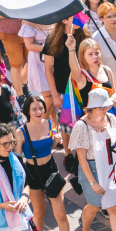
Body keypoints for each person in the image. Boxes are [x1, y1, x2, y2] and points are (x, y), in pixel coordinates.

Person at [14, 95, 81, 231]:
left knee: (60, 213)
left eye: (41, 108)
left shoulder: (51, 124)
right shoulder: (21, 132)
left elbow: (49, 147)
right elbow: (17, 159)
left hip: (50, 169)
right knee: (39, 212)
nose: (38, 112)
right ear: (28, 111)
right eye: (34, 109)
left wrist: (55, 142)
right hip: (33, 172)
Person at [43, 17, 89, 164]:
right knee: (65, 124)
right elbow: (48, 69)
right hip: (63, 88)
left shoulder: (84, 35)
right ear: (64, 20)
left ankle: (82, 155)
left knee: (84, 121)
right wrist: (55, 95)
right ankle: (68, 154)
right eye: (73, 17)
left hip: (83, 87)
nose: (79, 19)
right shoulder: (53, 39)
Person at [19, 21, 53, 124]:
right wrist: (51, 48)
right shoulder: (29, 23)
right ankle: (40, 126)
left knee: (55, 103)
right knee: (50, 102)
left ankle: (54, 127)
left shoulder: (54, 18)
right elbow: (29, 46)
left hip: (53, 61)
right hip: (39, 62)